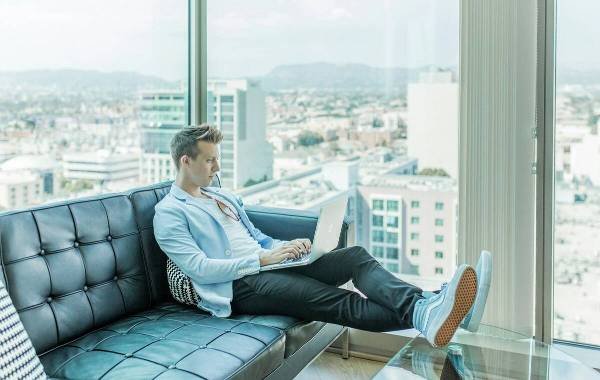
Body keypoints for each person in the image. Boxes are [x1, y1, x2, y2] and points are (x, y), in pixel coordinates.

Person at [153, 124, 492, 348]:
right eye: (210, 160)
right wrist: (261, 259)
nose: (217, 168)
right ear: (186, 161)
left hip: (269, 265)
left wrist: (284, 248)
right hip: (239, 286)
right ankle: (437, 308)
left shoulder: (221, 196)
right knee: (335, 299)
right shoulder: (170, 213)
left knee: (355, 257)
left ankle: (431, 309)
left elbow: (254, 234)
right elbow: (200, 268)